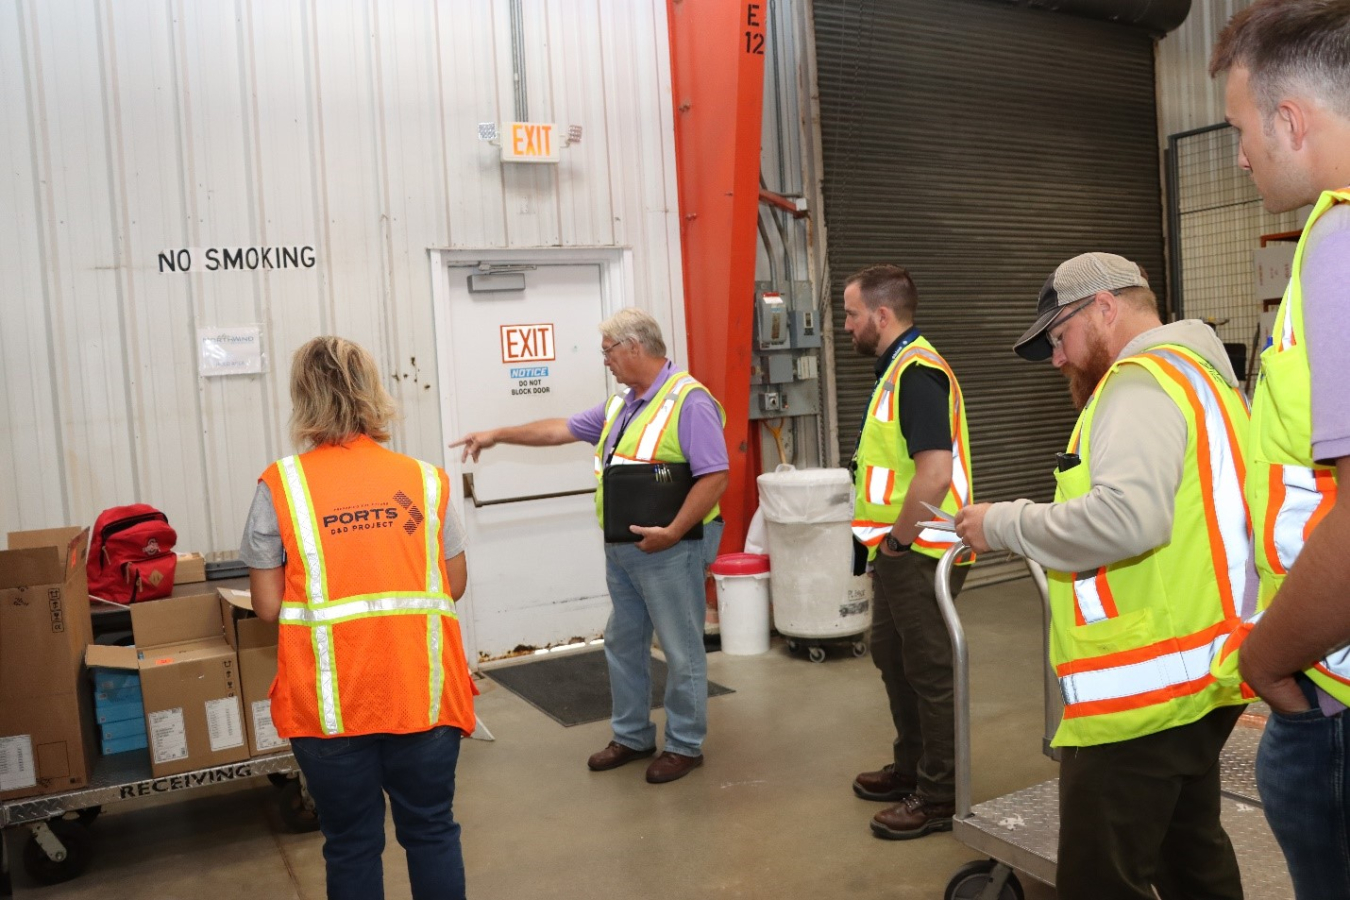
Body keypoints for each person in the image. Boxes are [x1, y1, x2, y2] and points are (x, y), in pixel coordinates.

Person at [954, 253, 1250, 900]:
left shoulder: (1137, 386)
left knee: (1099, 880)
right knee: (1191, 859)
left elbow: (1128, 519)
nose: (1057, 358)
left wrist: (1001, 524)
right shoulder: (1201, 377)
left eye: (1060, 337)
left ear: (1105, 309)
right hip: (1201, 673)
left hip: (1143, 692)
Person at [239, 337, 477, 900]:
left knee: (350, 844)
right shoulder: (423, 480)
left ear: (304, 398)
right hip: (423, 698)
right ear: (373, 393)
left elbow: (269, 606)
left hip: (330, 709)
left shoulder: (283, 486)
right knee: (431, 831)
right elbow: (454, 584)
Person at [453, 307, 728, 784]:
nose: (605, 361)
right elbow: (559, 429)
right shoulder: (623, 404)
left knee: (682, 649)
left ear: (635, 347)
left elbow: (715, 475)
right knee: (623, 641)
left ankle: (684, 745)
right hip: (623, 550)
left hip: (670, 548)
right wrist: (496, 435)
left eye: (608, 351)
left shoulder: (689, 401)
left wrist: (675, 531)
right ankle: (633, 736)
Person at [1208, 3, 1350, 896]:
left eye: (1239, 128)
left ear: (1290, 120)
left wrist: (1264, 658)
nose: (1239, 154)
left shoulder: (1338, 243)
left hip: (1333, 687)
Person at [842, 264, 974, 840]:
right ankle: (912, 768)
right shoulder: (896, 370)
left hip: (921, 549)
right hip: (897, 550)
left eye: (850, 315)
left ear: (881, 315)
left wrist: (896, 541)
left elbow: (935, 475)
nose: (845, 326)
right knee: (893, 658)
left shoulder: (918, 373)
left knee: (929, 670)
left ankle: (940, 796)